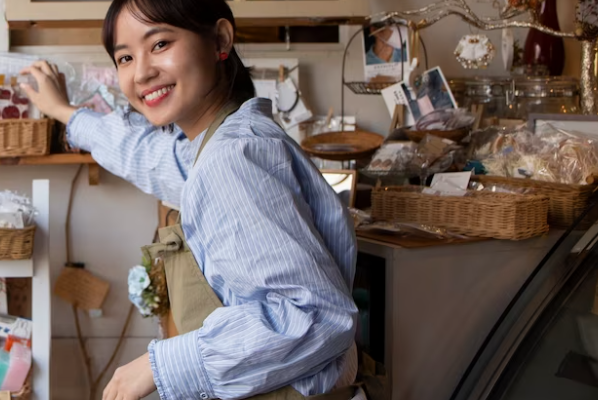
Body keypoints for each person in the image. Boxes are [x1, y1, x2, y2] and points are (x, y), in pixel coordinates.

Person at [20, 0, 360, 399]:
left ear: (220, 40)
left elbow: (316, 315)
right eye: (125, 57)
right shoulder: (217, 145)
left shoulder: (232, 158)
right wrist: (64, 112)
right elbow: (149, 156)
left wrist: (158, 365)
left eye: (160, 44)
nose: (142, 72)